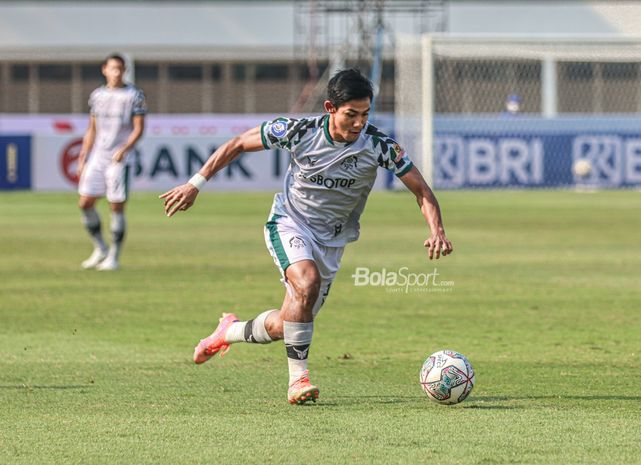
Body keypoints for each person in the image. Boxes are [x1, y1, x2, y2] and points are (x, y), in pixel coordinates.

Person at [160, 69, 453, 404]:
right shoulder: (300, 130)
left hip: (332, 241)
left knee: (289, 324)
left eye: (365, 115)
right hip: (290, 223)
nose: (358, 124)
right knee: (306, 281)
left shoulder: (378, 146)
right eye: (351, 115)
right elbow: (239, 143)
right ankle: (298, 381)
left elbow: (421, 190)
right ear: (330, 107)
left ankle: (228, 331)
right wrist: (195, 184)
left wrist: (437, 230)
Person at [77, 53, 146, 271]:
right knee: (85, 203)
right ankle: (100, 248)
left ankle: (114, 257)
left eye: (120, 69)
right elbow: (92, 128)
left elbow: (139, 129)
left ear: (124, 71)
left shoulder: (134, 95)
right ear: (104, 69)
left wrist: (124, 149)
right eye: (112, 68)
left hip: (120, 159)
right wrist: (83, 155)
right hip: (98, 156)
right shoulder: (97, 95)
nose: (116, 72)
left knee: (116, 206)